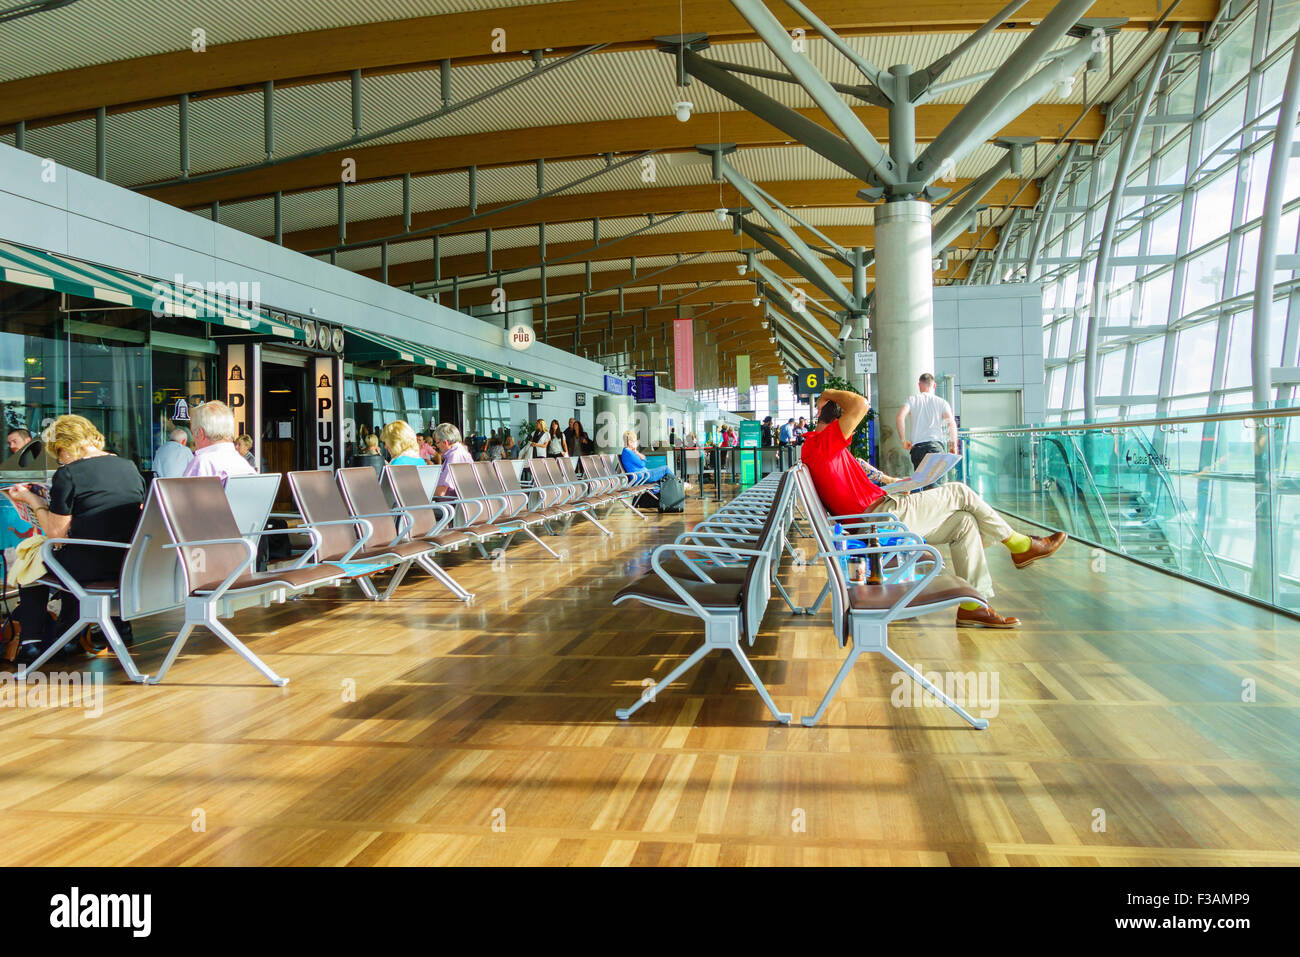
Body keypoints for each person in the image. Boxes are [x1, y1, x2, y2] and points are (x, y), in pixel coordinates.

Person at [800, 388, 1067, 629]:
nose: (852, 431)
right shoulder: (823, 445)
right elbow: (860, 404)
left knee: (963, 523)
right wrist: (829, 392)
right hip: (881, 521)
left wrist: (893, 484)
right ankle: (1021, 546)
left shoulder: (820, 448)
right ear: (837, 423)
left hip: (879, 516)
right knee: (960, 491)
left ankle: (973, 606)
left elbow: (852, 489)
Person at [2, 415, 144, 664]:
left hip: (89, 566)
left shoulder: (69, 474)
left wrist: (33, 501)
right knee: (59, 554)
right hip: (127, 561)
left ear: (65, 446)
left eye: (59, 455)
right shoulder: (128, 467)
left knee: (30, 556)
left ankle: (32, 643)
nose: (61, 461)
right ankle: (100, 629)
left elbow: (56, 536)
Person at [896, 372, 958, 472]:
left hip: (918, 448)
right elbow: (951, 423)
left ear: (919, 385)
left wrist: (903, 440)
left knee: (920, 482)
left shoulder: (912, 400)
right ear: (934, 385)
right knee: (936, 483)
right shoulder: (942, 402)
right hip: (935, 446)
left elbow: (900, 417)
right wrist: (953, 446)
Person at [183, 400, 256, 481]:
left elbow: (183, 493)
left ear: (200, 433)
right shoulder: (243, 464)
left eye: (193, 433)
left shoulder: (201, 464)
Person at [431, 423, 474, 497]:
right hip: (461, 502)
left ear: (446, 442)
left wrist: (424, 492)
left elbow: (441, 492)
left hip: (448, 505)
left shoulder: (454, 457)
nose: (437, 446)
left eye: (437, 443)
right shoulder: (462, 452)